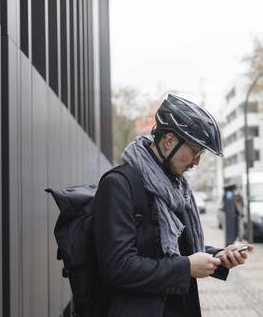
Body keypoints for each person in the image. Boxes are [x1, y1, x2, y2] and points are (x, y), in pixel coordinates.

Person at [92, 94, 253, 317]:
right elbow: (117, 267)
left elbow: (174, 250)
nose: (197, 162)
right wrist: (186, 268)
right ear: (169, 141)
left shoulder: (176, 188)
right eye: (195, 151)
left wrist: (219, 256)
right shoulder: (119, 184)